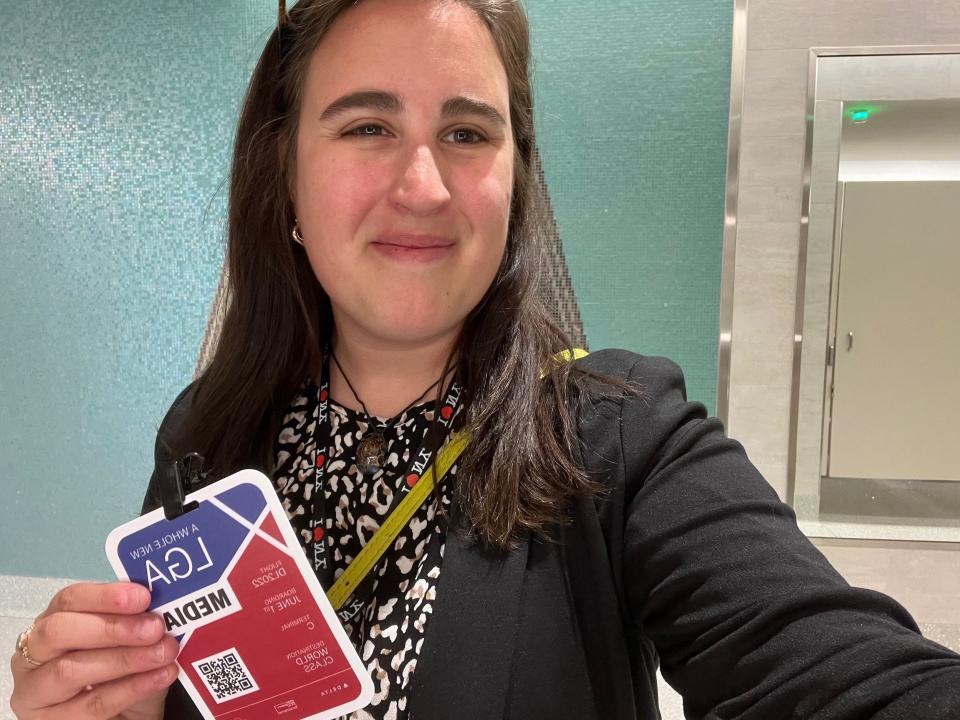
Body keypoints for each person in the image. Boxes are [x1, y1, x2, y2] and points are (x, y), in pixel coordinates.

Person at [9, 0, 960, 718]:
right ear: (284, 179)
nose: (423, 185)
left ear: (513, 182)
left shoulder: (622, 437)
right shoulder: (205, 434)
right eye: (367, 126)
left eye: (467, 133)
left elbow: (833, 667)